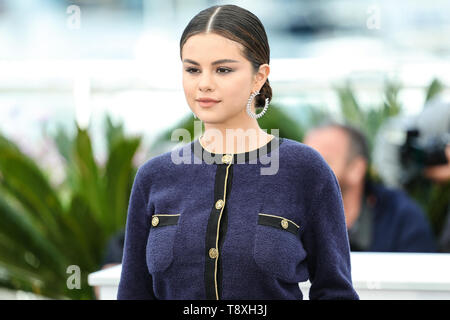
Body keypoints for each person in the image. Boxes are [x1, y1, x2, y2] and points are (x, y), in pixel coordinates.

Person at [117, 4, 358, 300]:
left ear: (259, 77)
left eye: (223, 69)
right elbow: (133, 293)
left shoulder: (305, 170)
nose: (204, 84)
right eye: (192, 69)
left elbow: (335, 292)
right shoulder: (154, 176)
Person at [303, 123, 437, 252]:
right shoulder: (289, 215)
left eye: (319, 161)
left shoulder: (401, 220)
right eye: (301, 159)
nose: (303, 170)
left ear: (356, 169)